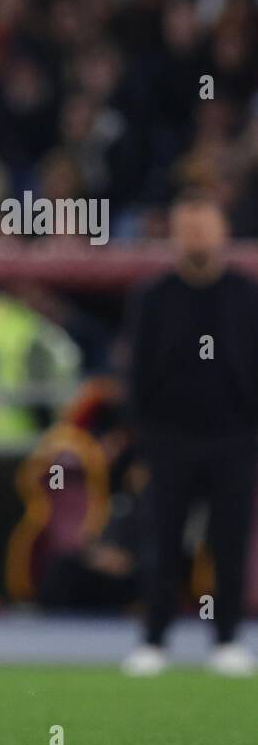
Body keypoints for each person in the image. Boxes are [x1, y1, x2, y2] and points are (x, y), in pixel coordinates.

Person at [123, 191, 258, 677]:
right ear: (174, 234)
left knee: (229, 544)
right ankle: (154, 640)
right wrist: (140, 438)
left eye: (205, 226)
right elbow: (136, 374)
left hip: (235, 441)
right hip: (169, 441)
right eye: (188, 227)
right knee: (162, 543)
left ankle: (225, 640)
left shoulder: (246, 294)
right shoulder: (153, 297)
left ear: (224, 232)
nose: (197, 236)